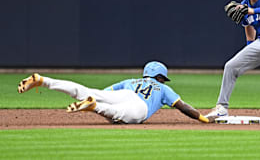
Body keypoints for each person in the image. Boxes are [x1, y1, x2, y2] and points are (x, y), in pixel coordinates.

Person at [17, 61, 213, 124]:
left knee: (86, 91)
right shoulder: (163, 88)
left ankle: (44, 80)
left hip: (124, 94)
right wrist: (203, 118)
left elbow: (103, 92)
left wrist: (97, 96)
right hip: (139, 106)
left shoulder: (130, 81)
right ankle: (95, 106)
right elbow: (183, 107)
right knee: (120, 115)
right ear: (160, 77)